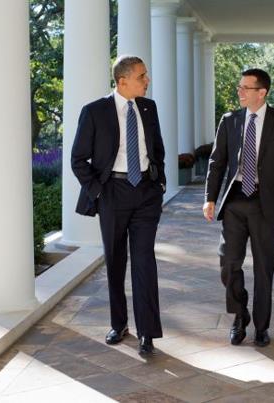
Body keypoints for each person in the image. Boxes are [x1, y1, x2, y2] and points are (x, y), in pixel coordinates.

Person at [71, 55, 166, 355]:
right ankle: (119, 323)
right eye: (142, 76)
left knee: (144, 261)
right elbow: (78, 159)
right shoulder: (95, 111)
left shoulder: (149, 108)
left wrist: (159, 183)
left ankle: (147, 332)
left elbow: (157, 150)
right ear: (122, 80)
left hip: (146, 194)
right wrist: (99, 191)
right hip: (113, 191)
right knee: (115, 261)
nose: (147, 80)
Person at [203, 69, 274, 347]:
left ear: (263, 92)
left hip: (266, 203)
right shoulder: (229, 121)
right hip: (235, 200)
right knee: (228, 263)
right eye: (240, 87)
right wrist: (210, 197)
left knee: (264, 268)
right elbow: (217, 162)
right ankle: (239, 315)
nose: (240, 92)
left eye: (246, 88)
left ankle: (261, 326)